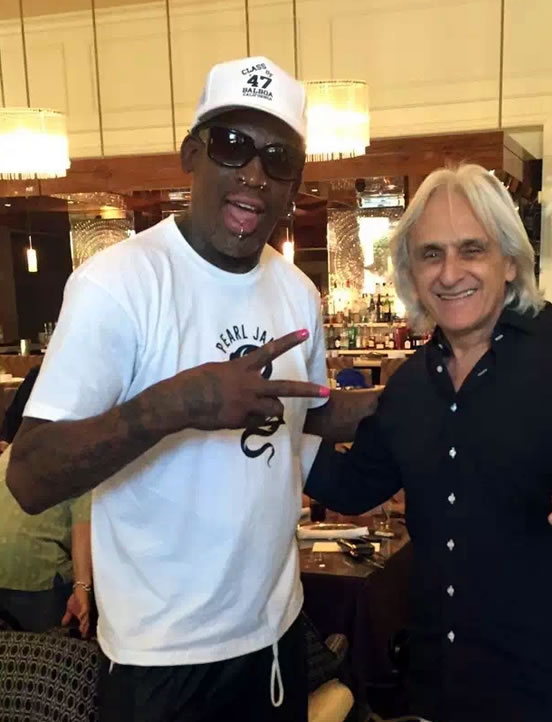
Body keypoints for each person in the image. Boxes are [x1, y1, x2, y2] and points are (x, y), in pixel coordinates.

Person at [7, 56, 375, 722]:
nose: (255, 173)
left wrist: (429, 396)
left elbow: (308, 414)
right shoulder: (116, 284)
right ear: (192, 153)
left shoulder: (297, 291)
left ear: (295, 182)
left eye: (278, 157)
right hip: (160, 660)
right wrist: (172, 406)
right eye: (233, 145)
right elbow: (29, 477)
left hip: (275, 638)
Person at [305, 164, 552, 722]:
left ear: (510, 260)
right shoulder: (411, 385)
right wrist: (268, 435)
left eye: (472, 249)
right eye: (431, 254)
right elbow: (355, 485)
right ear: (411, 272)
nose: (450, 273)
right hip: (449, 693)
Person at [0, 367, 91, 637]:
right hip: (38, 576)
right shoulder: (85, 452)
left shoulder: (17, 447)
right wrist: (83, 588)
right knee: (53, 652)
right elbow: (84, 524)